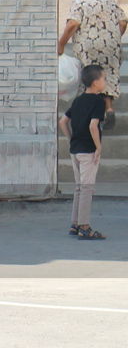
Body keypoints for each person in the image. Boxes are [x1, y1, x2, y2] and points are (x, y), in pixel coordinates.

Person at [58, 0, 126, 129]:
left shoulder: (80, 0)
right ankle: (109, 108)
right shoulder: (109, 0)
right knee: (106, 76)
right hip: (110, 46)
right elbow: (123, 22)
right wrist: (114, 38)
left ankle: (93, 116)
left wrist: (61, 43)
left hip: (89, 47)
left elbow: (73, 24)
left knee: (90, 79)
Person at [58, 64, 107, 240]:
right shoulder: (98, 102)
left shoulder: (78, 100)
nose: (105, 82)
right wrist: (98, 147)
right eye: (103, 78)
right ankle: (85, 227)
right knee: (87, 188)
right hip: (88, 151)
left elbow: (63, 122)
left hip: (75, 149)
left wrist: (71, 139)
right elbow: (93, 125)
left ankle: (75, 224)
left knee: (79, 188)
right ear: (95, 82)